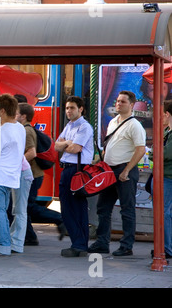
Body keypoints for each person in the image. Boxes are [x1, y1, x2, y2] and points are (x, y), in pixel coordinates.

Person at [88, 91, 146, 256]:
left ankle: (127, 245)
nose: (119, 104)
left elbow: (140, 149)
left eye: (123, 102)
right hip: (109, 170)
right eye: (118, 101)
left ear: (131, 105)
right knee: (103, 207)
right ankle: (102, 242)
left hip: (124, 170)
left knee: (127, 209)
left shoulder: (134, 125)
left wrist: (127, 169)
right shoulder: (113, 121)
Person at [18, 103, 66, 245]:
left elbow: (31, 153)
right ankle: (30, 237)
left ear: (24, 116)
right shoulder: (26, 129)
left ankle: (59, 219)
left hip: (32, 174)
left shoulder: (26, 131)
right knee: (25, 206)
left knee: (28, 206)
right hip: (34, 174)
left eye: (17, 113)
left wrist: (15, 164)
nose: (14, 115)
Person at [0, 94, 26, 256]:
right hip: (12, 176)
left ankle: (3, 245)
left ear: (2, 111)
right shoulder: (20, 128)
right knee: (2, 209)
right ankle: (0, 242)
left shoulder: (1, 130)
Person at [55, 96, 93, 257]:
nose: (68, 111)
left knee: (76, 208)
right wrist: (65, 143)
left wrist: (66, 143)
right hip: (67, 169)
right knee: (67, 208)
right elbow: (56, 145)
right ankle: (78, 243)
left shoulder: (84, 127)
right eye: (67, 108)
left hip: (77, 170)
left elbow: (75, 148)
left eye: (72, 108)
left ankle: (79, 244)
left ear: (81, 109)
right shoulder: (69, 125)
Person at [149, 100, 172, 259]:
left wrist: (155, 152)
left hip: (168, 177)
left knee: (164, 213)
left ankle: (166, 248)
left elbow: (164, 154)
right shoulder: (167, 132)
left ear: (167, 114)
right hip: (164, 176)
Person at [10, 104, 33, 253]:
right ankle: (15, 240)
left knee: (20, 209)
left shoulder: (22, 129)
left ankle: (17, 243)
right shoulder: (17, 128)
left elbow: (32, 152)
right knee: (17, 208)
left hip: (22, 173)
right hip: (19, 173)